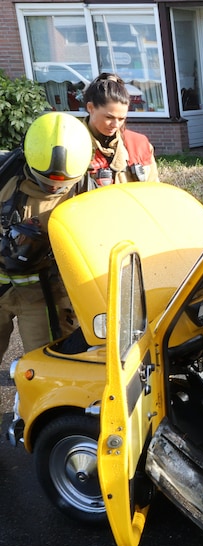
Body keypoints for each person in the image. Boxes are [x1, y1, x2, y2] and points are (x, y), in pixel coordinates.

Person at [0, 112, 93, 360]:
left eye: (62, 184)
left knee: (47, 368)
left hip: (44, 294)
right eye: (46, 181)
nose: (53, 188)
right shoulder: (5, 176)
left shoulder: (85, 192)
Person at [82, 73, 159, 188]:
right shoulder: (72, 146)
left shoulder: (140, 144)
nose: (116, 125)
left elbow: (154, 192)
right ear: (91, 108)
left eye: (121, 118)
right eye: (109, 117)